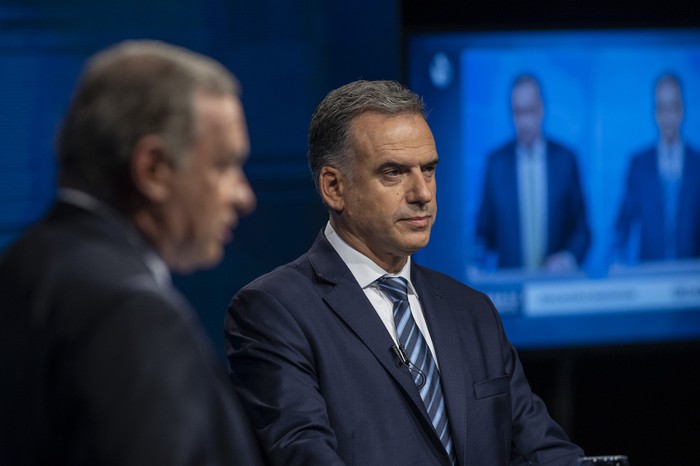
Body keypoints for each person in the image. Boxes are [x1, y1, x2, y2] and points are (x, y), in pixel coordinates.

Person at [225, 80, 584, 465]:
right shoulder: (274, 312)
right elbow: (306, 456)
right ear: (334, 187)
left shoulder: (472, 311)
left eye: (428, 169)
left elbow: (544, 451)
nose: (422, 193)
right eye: (394, 172)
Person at [0, 40, 265, 465]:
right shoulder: (133, 314)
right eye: (224, 165)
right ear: (153, 169)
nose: (244, 196)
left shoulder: (22, 264)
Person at [476, 74, 590, 272]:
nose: (524, 122)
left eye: (529, 111)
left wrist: (569, 257)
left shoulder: (565, 160)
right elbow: (483, 233)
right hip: (510, 291)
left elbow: (582, 231)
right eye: (518, 112)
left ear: (541, 110)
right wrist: (476, 262)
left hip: (556, 289)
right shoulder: (496, 164)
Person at [614, 73, 700, 263]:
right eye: (662, 108)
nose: (668, 116)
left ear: (682, 110)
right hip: (651, 274)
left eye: (673, 107)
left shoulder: (697, 164)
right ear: (655, 113)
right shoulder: (639, 164)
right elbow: (624, 222)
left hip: (693, 275)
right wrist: (617, 259)